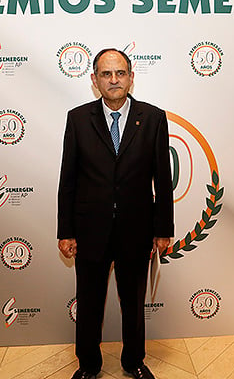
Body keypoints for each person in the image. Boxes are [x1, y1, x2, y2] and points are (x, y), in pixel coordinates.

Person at [57, 48, 174, 379]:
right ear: (94, 80)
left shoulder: (152, 118)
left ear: (131, 77)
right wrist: (65, 230)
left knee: (134, 304)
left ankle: (133, 362)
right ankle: (89, 365)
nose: (114, 80)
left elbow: (163, 178)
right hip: (89, 229)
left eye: (120, 73)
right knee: (90, 303)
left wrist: (163, 228)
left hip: (136, 230)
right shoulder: (78, 119)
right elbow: (68, 179)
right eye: (106, 74)